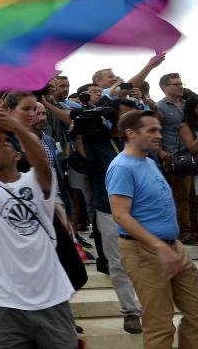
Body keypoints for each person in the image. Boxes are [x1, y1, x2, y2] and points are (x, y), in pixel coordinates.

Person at [0, 109, 78, 348]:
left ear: (17, 155)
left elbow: (44, 168)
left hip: (51, 298)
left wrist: (17, 129)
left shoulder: (33, 181)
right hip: (3, 301)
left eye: (3, 144)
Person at [107, 109, 198, 349]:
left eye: (159, 129)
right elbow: (120, 214)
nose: (159, 135)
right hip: (144, 251)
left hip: (172, 247)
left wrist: (170, 246)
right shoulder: (122, 167)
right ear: (131, 133)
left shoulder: (148, 160)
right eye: (151, 130)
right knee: (159, 325)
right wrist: (158, 245)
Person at [74, 99, 144, 332]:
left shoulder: (140, 141)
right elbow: (86, 164)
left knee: (146, 262)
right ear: (112, 116)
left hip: (142, 209)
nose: (130, 120)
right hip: (109, 208)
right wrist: (79, 135)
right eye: (125, 115)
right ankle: (131, 311)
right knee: (118, 263)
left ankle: (150, 306)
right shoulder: (97, 139)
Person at [156, 72, 197, 245]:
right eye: (176, 84)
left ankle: (195, 231)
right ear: (164, 87)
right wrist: (161, 152)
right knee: (181, 197)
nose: (180, 86)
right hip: (174, 157)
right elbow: (155, 131)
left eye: (181, 83)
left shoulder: (188, 104)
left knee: (193, 196)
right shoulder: (160, 107)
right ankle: (185, 233)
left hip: (193, 155)